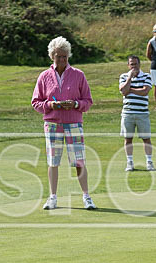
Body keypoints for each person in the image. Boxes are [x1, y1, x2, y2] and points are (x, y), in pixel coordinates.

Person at [31, 37, 96, 211]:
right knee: (53, 161)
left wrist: (75, 104)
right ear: (52, 56)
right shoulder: (44, 76)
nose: (62, 59)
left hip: (74, 122)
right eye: (58, 56)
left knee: (79, 162)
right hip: (52, 124)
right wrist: (51, 105)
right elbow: (36, 102)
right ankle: (52, 197)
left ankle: (86, 197)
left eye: (65, 56)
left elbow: (88, 101)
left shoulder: (78, 75)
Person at [119, 55, 154, 171]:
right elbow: (123, 91)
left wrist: (130, 90)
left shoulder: (147, 76)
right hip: (128, 113)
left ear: (140, 64)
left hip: (142, 113)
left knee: (146, 138)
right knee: (128, 138)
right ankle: (129, 162)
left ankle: (149, 162)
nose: (134, 67)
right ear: (128, 65)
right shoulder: (123, 76)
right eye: (132, 64)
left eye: (136, 64)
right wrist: (129, 79)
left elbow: (145, 91)